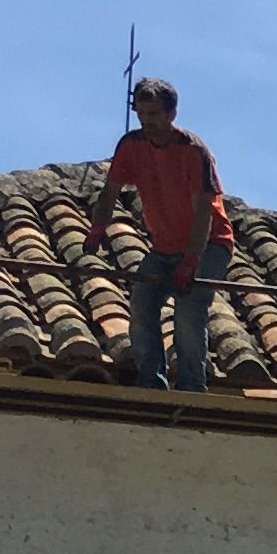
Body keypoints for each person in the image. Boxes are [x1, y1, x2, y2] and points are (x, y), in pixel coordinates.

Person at [86, 79, 235, 391]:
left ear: (171, 113)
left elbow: (204, 213)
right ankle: (152, 383)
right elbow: (110, 190)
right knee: (141, 306)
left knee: (188, 311)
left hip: (208, 244)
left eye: (153, 113)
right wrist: (98, 227)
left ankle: (193, 386)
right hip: (164, 247)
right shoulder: (131, 146)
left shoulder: (193, 151)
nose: (147, 121)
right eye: (141, 113)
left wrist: (191, 262)